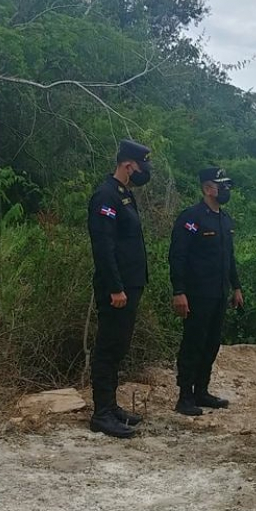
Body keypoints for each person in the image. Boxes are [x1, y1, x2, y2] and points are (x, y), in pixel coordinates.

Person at [88, 139, 151, 438]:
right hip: (116, 288)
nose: (144, 172)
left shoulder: (124, 195)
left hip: (130, 284)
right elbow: (103, 247)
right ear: (128, 165)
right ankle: (101, 413)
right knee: (107, 348)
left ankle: (111, 406)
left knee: (118, 348)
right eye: (141, 166)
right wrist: (115, 287)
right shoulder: (105, 195)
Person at [169, 166, 244, 416]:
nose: (225, 189)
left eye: (227, 185)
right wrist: (178, 290)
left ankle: (201, 390)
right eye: (221, 185)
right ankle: (184, 396)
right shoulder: (191, 217)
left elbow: (229, 257)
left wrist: (236, 287)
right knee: (193, 343)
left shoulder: (224, 219)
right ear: (207, 188)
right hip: (196, 293)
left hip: (218, 293)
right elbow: (177, 255)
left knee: (211, 343)